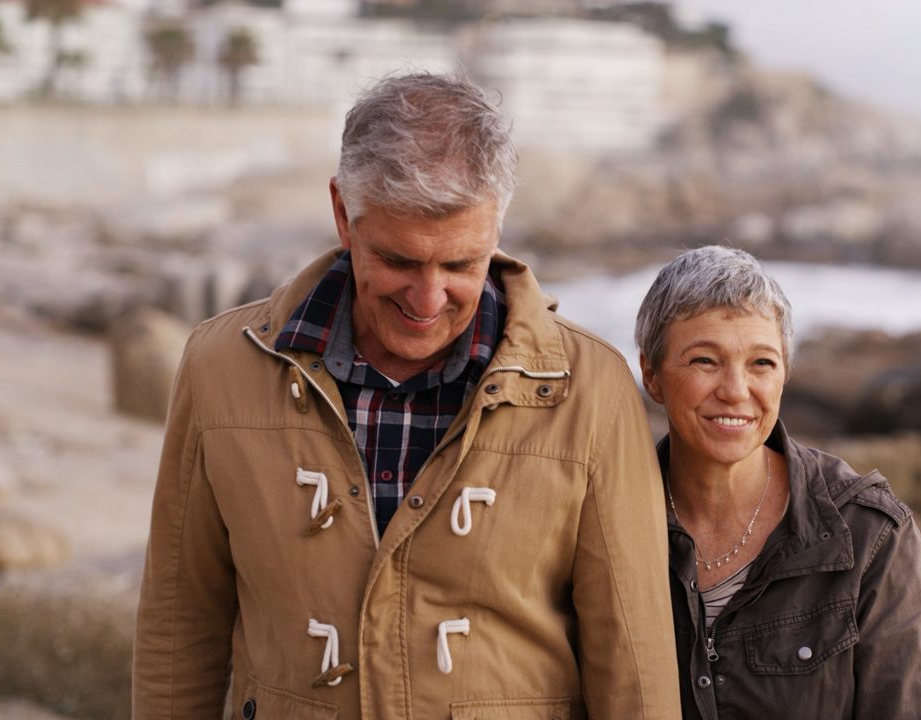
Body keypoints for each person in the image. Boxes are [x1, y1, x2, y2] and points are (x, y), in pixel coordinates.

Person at [133, 73, 681, 720]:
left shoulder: (590, 389)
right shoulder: (220, 367)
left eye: (459, 265)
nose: (427, 301)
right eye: (398, 260)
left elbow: (635, 666)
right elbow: (179, 625)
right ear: (343, 212)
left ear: (497, 226)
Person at [635, 246, 921, 718]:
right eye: (704, 360)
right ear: (652, 375)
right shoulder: (608, 522)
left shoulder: (869, 536)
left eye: (761, 363)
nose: (736, 390)